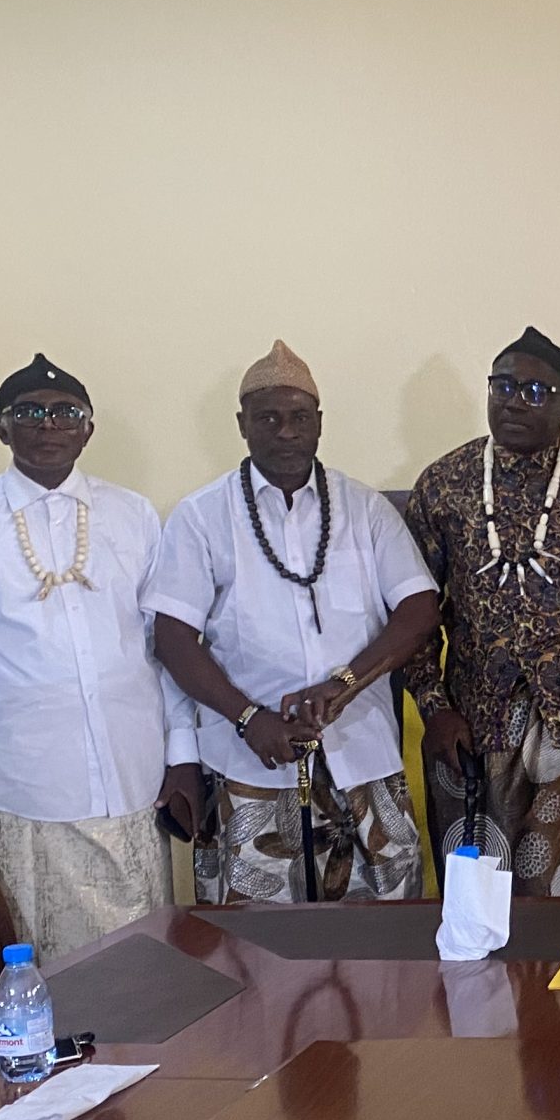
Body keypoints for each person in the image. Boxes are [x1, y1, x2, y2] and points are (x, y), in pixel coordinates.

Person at [0, 355, 199, 983]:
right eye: (28, 412)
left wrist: (182, 752)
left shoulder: (133, 514)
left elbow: (164, 645)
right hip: (19, 787)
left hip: (132, 778)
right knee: (36, 973)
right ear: (1, 427)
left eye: (65, 412)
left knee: (141, 974)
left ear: (88, 428)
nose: (48, 424)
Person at [146, 342, 440, 904]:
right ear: (242, 424)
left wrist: (342, 686)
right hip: (249, 762)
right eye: (268, 418)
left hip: (362, 755)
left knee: (384, 937)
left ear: (319, 423)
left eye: (299, 417)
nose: (285, 431)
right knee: (256, 940)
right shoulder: (201, 516)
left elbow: (419, 609)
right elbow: (173, 638)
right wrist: (248, 717)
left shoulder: (366, 509)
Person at [404, 326, 560, 895]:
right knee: (481, 906)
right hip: (473, 732)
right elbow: (412, 611)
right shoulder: (444, 483)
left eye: (536, 391)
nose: (515, 402)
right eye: (503, 386)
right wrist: (434, 709)